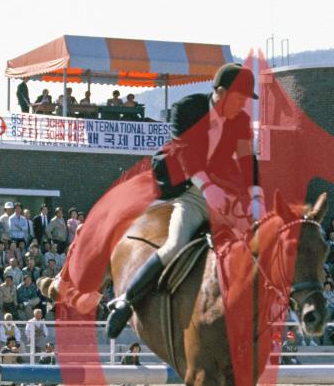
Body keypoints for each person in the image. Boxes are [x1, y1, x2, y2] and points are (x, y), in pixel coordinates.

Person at [104, 63, 259, 338]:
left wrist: (257, 195)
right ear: (221, 92)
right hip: (188, 190)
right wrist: (208, 188)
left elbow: (248, 161)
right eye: (240, 98)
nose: (244, 105)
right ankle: (126, 301)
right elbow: (186, 155)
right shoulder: (187, 109)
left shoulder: (241, 121)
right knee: (175, 244)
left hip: (223, 195)